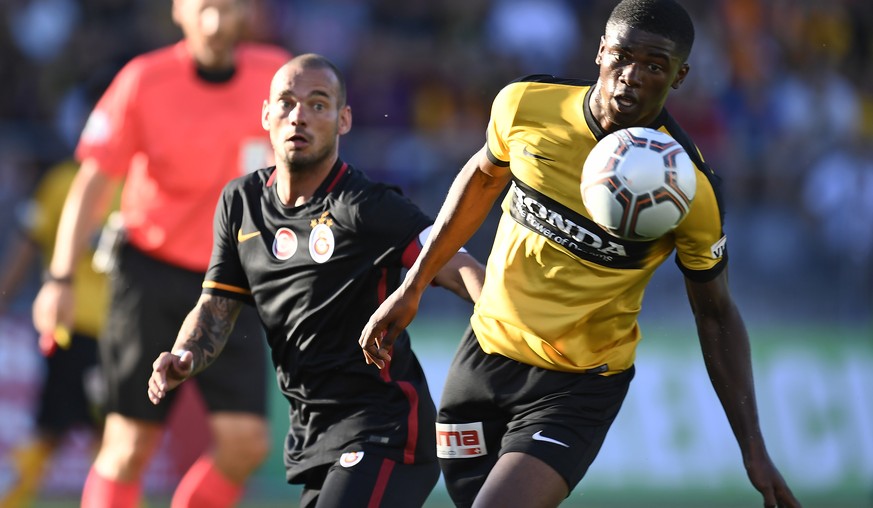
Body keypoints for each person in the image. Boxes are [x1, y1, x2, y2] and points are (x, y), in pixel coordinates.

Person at [359, 1, 802, 507]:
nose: (631, 77)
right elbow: (482, 180)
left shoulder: (689, 190)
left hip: (577, 387)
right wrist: (412, 286)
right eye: (622, 57)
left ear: (680, 77)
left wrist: (754, 449)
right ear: (599, 52)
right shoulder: (526, 106)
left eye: (654, 66)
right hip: (483, 358)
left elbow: (716, 314)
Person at [147, 53, 485, 508]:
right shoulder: (240, 202)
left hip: (384, 428)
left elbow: (452, 261)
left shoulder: (364, 205)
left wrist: (516, 320)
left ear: (344, 120)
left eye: (318, 104)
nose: (299, 116)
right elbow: (216, 306)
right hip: (313, 434)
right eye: (286, 103)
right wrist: (185, 354)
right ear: (266, 114)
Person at [30, 0, 291, 506]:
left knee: (246, 445)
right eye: (205, 7)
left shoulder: (277, 78)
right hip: (150, 274)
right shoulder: (143, 80)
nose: (216, 21)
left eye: (229, 8)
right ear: (179, 11)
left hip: (230, 286)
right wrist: (59, 279)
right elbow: (93, 181)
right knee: (128, 445)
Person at [0, 160, 111, 508]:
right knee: (91, 430)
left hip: (82, 329)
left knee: (80, 429)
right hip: (85, 329)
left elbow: (26, 244)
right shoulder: (118, 185)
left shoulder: (62, 181)